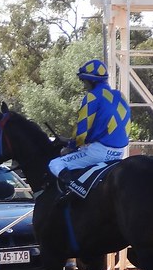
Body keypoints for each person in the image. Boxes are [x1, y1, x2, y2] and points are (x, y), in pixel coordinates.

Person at [47, 59, 131, 189]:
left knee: (55, 164)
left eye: (84, 81)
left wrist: (71, 145)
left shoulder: (92, 96)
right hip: (120, 152)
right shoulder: (120, 96)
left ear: (91, 81)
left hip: (99, 152)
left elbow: (81, 132)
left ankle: (74, 191)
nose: (84, 86)